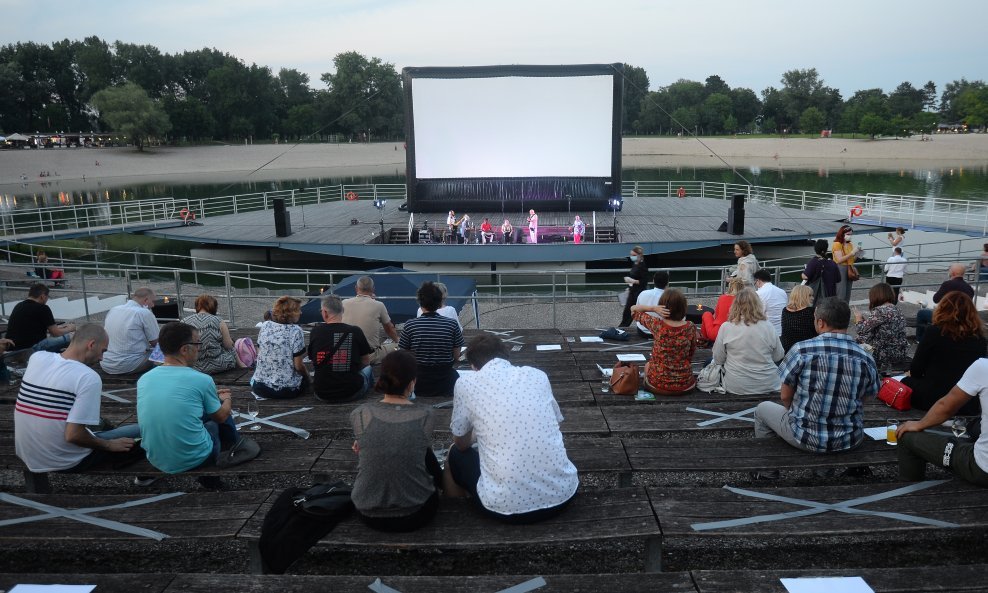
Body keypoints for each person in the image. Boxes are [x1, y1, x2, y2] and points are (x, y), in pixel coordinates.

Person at [446, 334, 578, 523]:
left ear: (474, 367)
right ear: (506, 356)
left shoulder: (466, 383)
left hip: (504, 508)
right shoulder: (537, 375)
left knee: (455, 455)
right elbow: (556, 422)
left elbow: (460, 443)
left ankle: (456, 519)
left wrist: (478, 432)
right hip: (563, 495)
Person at [755, 298, 880, 453]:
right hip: (849, 439)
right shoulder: (865, 356)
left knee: (761, 410)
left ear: (820, 323)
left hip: (804, 436)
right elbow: (869, 396)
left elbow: (785, 396)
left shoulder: (801, 350)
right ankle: (824, 471)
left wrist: (796, 412)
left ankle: (767, 472)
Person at [14, 324, 141, 474]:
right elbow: (74, 435)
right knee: (148, 429)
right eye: (102, 351)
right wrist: (109, 445)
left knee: (97, 423)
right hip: (63, 460)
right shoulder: (88, 377)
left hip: (27, 454)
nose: (101, 358)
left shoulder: (38, 357)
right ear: (91, 345)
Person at [350, 350, 443, 531]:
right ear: (411, 383)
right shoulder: (426, 415)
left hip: (367, 512)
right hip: (416, 513)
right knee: (425, 454)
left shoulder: (360, 414)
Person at [137, 322, 240, 474]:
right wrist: (227, 399)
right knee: (214, 422)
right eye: (197, 343)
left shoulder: (144, 379)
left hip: (156, 458)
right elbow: (221, 417)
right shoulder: (202, 380)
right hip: (194, 459)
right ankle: (232, 449)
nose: (199, 348)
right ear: (185, 349)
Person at [897, 358, 988, 486]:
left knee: (906, 436)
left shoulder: (983, 367)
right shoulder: (978, 343)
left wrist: (919, 424)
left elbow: (946, 407)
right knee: (975, 427)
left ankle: (909, 496)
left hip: (982, 469)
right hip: (969, 413)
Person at [902, 292, 986, 416]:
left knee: (904, 381)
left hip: (932, 399)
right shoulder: (980, 339)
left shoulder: (934, 332)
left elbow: (916, 370)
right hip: (965, 402)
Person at [709, 288, 784, 395]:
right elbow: (778, 356)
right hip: (769, 383)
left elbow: (718, 359)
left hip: (736, 386)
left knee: (708, 361)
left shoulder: (726, 327)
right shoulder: (768, 326)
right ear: (758, 304)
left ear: (735, 305)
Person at [399, 281, 464, 398]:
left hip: (418, 382)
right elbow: (456, 355)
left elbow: (403, 354)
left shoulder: (410, 325)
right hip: (446, 380)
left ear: (420, 302)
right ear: (440, 303)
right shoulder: (451, 324)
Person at [632, 289, 697, 395]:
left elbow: (633, 309)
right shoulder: (690, 327)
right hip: (685, 385)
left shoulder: (657, 324)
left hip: (657, 385)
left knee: (648, 365)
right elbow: (691, 353)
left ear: (663, 307)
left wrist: (653, 308)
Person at [309, 294, 373, 402]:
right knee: (369, 369)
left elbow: (313, 359)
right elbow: (366, 362)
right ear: (342, 311)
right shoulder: (355, 331)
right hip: (351, 392)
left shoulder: (315, 332)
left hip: (321, 393)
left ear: (324, 312)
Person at [251, 296, 309, 399]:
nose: (301, 312)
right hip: (286, 390)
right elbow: (298, 366)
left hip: (260, 387)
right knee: (307, 380)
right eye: (298, 310)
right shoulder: (296, 331)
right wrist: (308, 377)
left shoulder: (265, 325)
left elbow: (259, 352)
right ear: (289, 313)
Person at [100, 287, 159, 375]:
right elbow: (156, 342)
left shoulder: (114, 309)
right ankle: (158, 378)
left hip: (106, 363)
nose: (153, 305)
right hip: (128, 365)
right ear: (146, 300)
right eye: (153, 302)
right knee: (165, 352)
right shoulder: (144, 313)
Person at [342, 276, 400, 364]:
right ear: (373, 289)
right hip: (370, 355)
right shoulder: (379, 305)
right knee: (399, 347)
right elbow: (389, 329)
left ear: (356, 288)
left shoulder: (344, 303)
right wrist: (397, 340)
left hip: (347, 354)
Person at [4, 283, 76, 352]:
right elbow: (56, 333)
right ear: (43, 296)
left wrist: (58, 328)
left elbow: (29, 328)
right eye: (47, 297)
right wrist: (71, 328)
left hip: (12, 348)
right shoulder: (43, 308)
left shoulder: (18, 306)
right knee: (73, 337)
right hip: (31, 349)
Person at [853, 283, 909, 370]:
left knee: (858, 338)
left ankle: (859, 368)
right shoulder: (897, 309)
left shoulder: (880, 311)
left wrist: (858, 318)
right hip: (900, 352)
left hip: (884, 355)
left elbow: (861, 330)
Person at [181, 294, 240, 374]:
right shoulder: (219, 321)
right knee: (232, 347)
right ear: (214, 306)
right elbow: (228, 345)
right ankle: (243, 365)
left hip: (193, 366)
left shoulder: (184, 322)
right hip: (218, 365)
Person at [916, 263, 974, 342]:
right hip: (962, 320)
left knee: (921, 313)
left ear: (953, 273)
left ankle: (920, 340)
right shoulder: (969, 288)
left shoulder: (947, 284)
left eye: (949, 270)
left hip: (945, 319)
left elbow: (935, 299)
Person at [701, 277, 744, 343]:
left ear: (730, 287)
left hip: (717, 333)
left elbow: (716, 316)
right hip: (735, 334)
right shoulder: (743, 301)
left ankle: (704, 339)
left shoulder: (722, 298)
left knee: (707, 314)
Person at [801, 239, 840, 303]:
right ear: (826, 250)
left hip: (817, 296)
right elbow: (838, 279)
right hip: (831, 296)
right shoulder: (832, 263)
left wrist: (803, 273)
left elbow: (805, 276)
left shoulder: (814, 262)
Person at [781, 285, 817, 352]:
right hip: (806, 349)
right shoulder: (811, 311)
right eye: (809, 295)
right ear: (802, 296)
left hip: (787, 349)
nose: (812, 298)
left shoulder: (785, 310)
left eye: (812, 295)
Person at [634, 271, 669, 338]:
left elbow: (636, 311)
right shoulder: (670, 298)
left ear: (653, 281)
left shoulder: (643, 293)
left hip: (642, 331)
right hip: (661, 332)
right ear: (667, 283)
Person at [832, 225, 862, 303]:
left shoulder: (850, 244)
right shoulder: (837, 244)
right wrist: (852, 253)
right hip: (840, 268)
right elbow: (839, 260)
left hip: (849, 268)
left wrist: (857, 254)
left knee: (847, 293)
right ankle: (839, 311)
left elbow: (852, 259)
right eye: (848, 234)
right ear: (842, 234)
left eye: (851, 234)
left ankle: (845, 310)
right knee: (841, 292)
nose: (850, 236)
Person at [753, 269, 787, 336]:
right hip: (782, 331)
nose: (756, 285)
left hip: (766, 333)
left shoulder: (759, 293)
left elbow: (756, 315)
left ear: (758, 281)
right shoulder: (782, 292)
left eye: (755, 282)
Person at [620, 246, 647, 327]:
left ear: (639, 255)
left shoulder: (643, 266)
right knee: (627, 312)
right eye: (631, 255)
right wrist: (629, 285)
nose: (632, 256)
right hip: (633, 290)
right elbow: (634, 276)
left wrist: (633, 281)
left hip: (638, 292)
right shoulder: (635, 264)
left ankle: (623, 327)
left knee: (630, 311)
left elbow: (644, 281)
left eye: (634, 255)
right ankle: (623, 326)